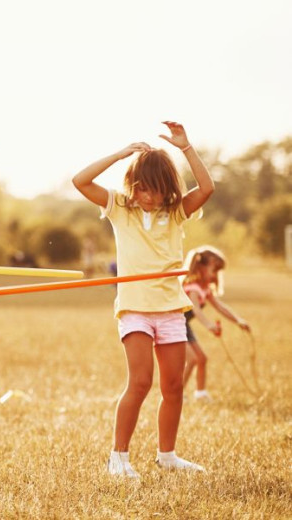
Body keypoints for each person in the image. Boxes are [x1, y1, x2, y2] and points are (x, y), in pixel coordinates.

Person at [72, 121, 214, 478]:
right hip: (135, 309)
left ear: (167, 189)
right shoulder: (121, 208)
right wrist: (120, 155)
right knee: (140, 381)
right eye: (141, 188)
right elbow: (80, 181)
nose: (146, 196)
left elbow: (207, 187)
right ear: (132, 186)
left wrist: (186, 148)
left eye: (154, 190)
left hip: (170, 310)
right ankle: (118, 457)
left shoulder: (176, 212)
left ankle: (167, 455)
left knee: (174, 385)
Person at [181, 246, 251, 401]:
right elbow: (196, 310)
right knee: (192, 359)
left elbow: (220, 307)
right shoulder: (192, 287)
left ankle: (200, 393)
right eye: (214, 270)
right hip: (173, 325)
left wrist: (238, 321)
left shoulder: (204, 288)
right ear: (201, 267)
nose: (215, 275)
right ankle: (177, 393)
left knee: (202, 358)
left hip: (183, 325)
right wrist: (209, 325)